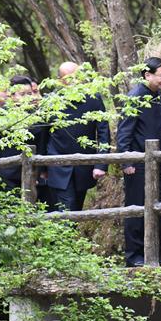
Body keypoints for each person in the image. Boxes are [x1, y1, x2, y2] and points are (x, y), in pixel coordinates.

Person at [116, 57, 161, 267]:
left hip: (159, 161)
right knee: (136, 210)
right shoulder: (135, 97)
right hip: (138, 162)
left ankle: (153, 252)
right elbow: (123, 132)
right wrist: (127, 161)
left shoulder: (158, 96)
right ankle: (134, 256)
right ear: (147, 75)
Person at [45, 62, 110, 211]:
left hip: (84, 164)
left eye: (77, 76)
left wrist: (101, 164)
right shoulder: (51, 100)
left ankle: (67, 234)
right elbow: (44, 134)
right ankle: (65, 234)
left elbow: (103, 132)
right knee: (67, 206)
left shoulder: (93, 98)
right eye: (69, 78)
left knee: (76, 207)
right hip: (57, 163)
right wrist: (42, 166)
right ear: (60, 80)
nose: (75, 81)